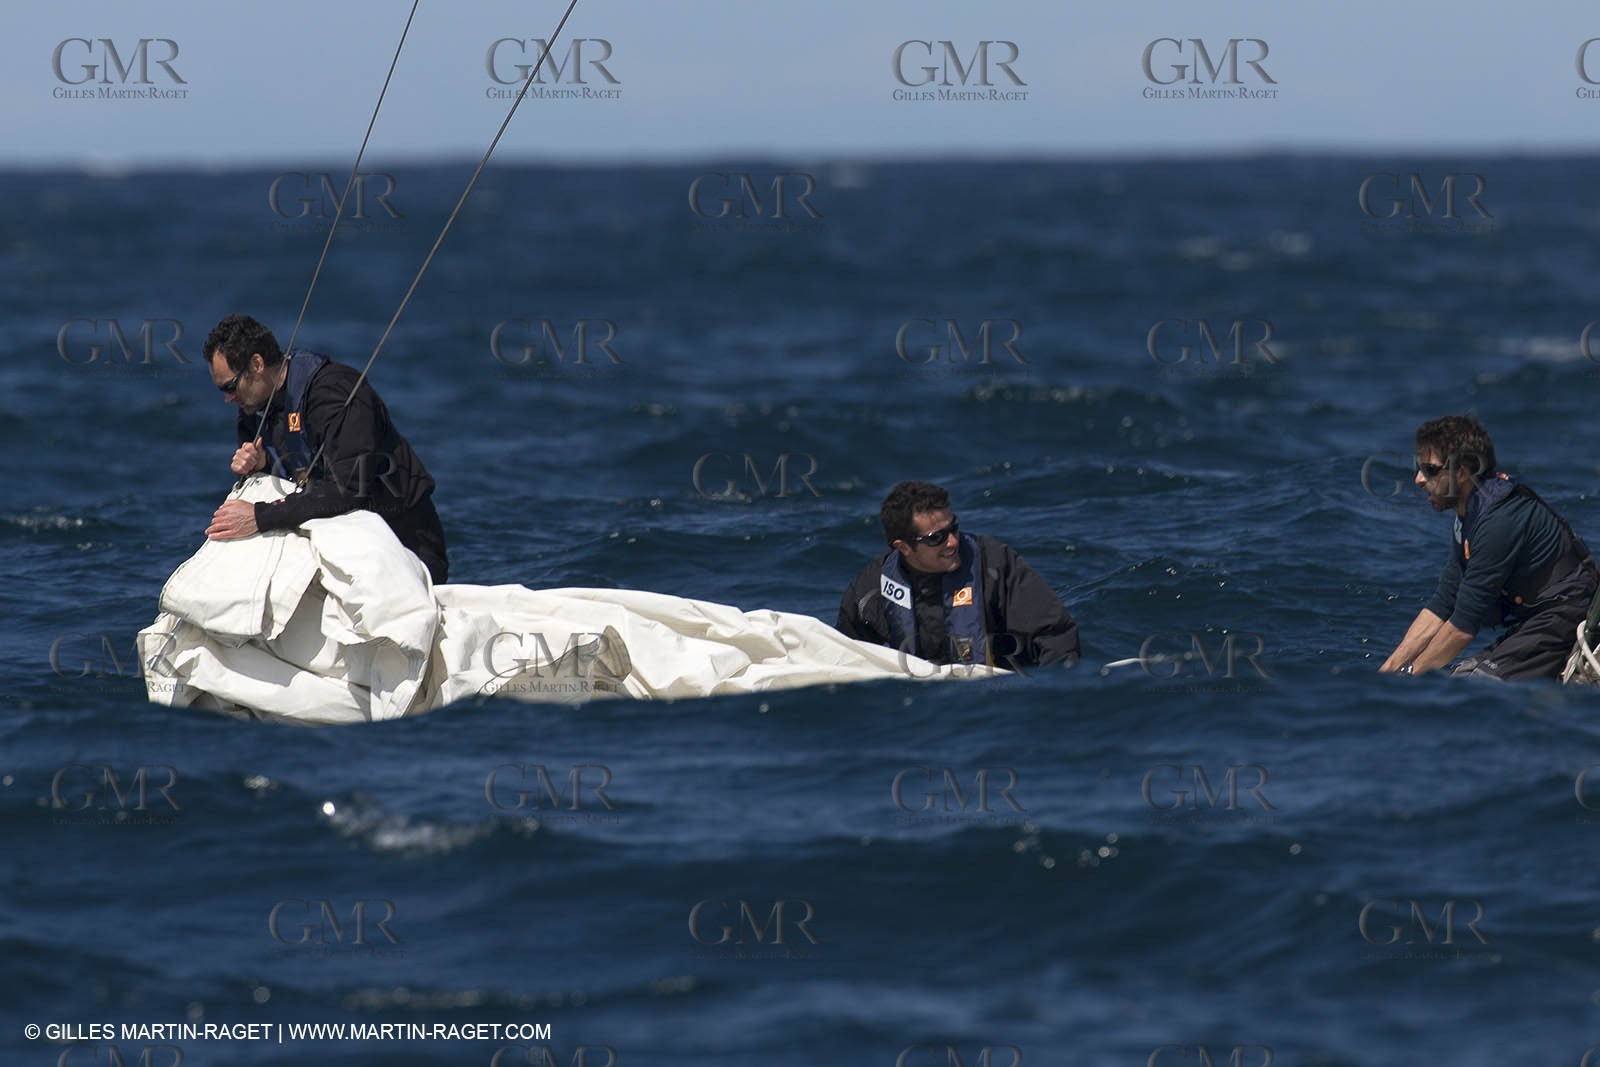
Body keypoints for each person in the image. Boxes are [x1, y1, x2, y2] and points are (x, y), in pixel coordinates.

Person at [201, 313, 450, 583]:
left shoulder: (334, 394)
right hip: (337, 539)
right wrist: (261, 468)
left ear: (257, 364)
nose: (228, 399)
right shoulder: (254, 411)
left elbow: (348, 489)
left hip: (405, 544)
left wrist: (260, 517)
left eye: (230, 386)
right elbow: (296, 486)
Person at [1379, 415, 1597, 680]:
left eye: (1431, 469)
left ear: (1461, 472)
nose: (1418, 479)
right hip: (1533, 618)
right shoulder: (1469, 516)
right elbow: (1444, 604)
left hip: (1564, 611)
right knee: (1460, 673)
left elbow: (1462, 628)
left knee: (1471, 683)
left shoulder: (1498, 522)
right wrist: (1388, 674)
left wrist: (1411, 675)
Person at [836, 480, 1080, 669]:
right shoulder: (869, 589)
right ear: (903, 547)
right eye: (937, 538)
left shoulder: (994, 565)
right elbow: (848, 660)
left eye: (953, 528)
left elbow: (1055, 635)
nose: (952, 542)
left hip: (999, 700)